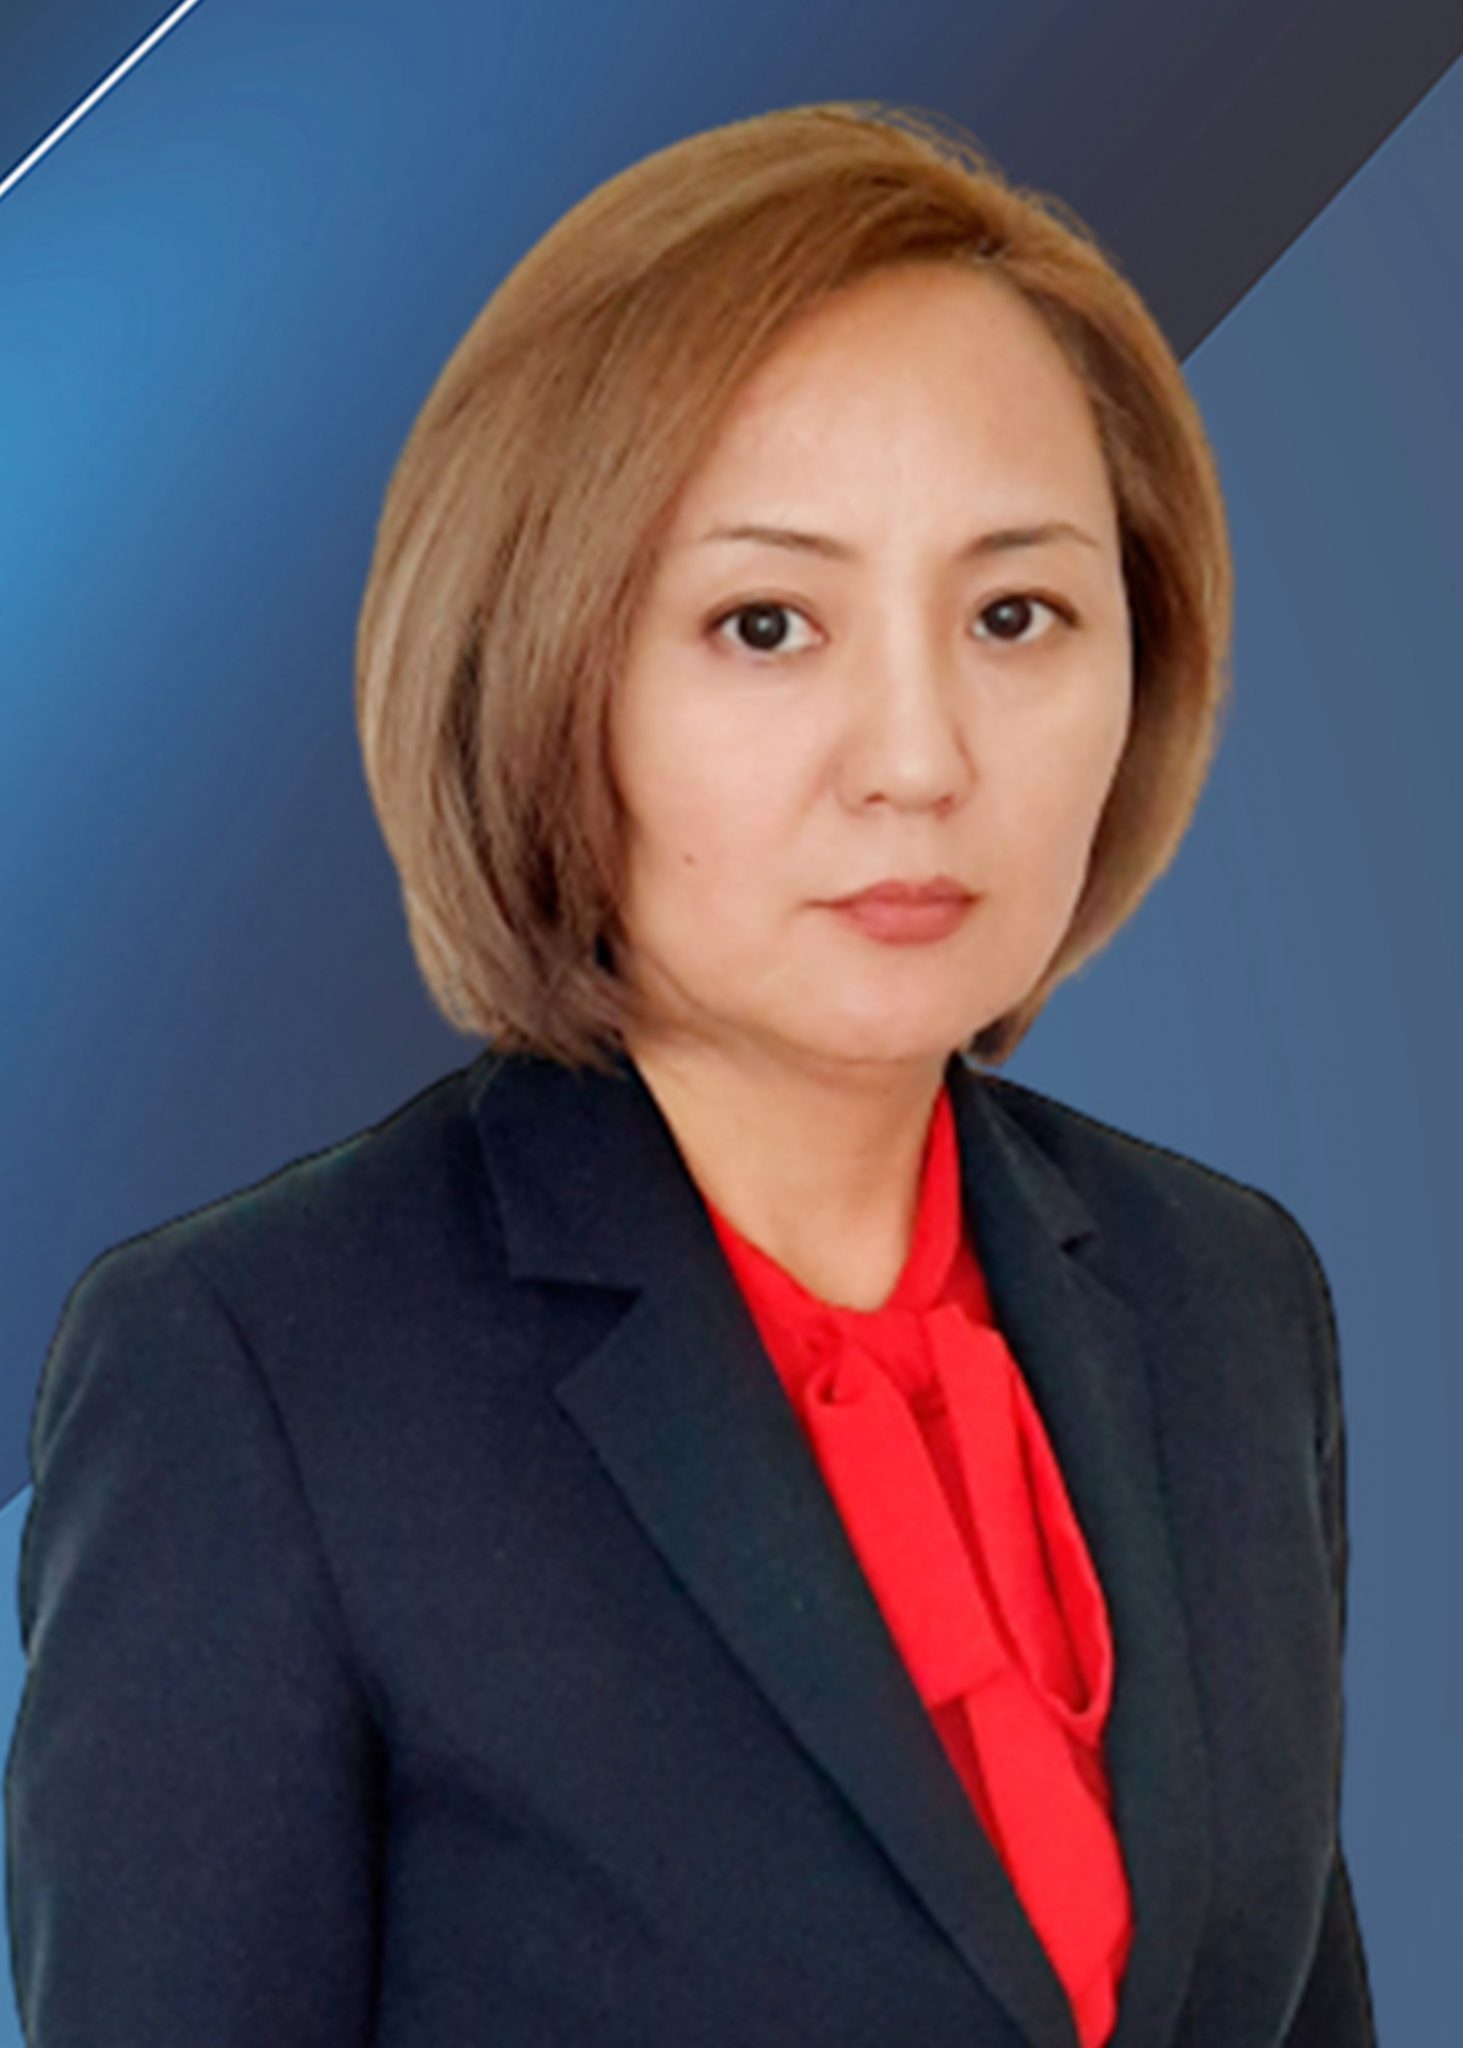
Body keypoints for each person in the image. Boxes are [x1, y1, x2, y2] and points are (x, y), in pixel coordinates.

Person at [4, 100, 1375, 2048]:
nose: (919, 759)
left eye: (1015, 615)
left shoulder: (1232, 1299)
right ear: (548, 671)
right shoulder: (258, 1373)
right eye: (765, 623)